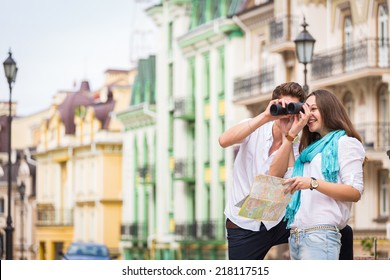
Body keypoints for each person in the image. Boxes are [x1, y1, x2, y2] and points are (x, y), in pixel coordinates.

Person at [269, 89, 365, 260]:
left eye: (313, 109)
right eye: (305, 109)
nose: (308, 115)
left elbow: (354, 192)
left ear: (329, 109)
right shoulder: (307, 151)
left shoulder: (346, 143)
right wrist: (289, 133)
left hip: (321, 235)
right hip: (296, 236)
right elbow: (290, 175)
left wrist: (313, 183)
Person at [219, 82, 306, 260]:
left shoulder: (297, 144)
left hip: (278, 220)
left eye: (291, 108)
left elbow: (275, 177)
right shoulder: (254, 127)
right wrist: (266, 116)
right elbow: (224, 140)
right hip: (244, 224)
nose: (286, 113)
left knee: (341, 231)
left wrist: (287, 136)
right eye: (282, 106)